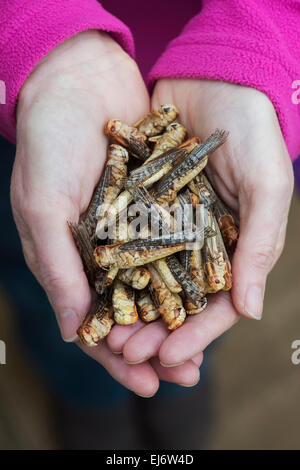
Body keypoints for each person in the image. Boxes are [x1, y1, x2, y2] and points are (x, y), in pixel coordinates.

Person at [0, 0, 299, 449]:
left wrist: (253, 45)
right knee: (48, 284)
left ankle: (176, 385)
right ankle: (86, 395)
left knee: (199, 318)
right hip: (33, 94)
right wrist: (37, 33)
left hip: (239, 60)